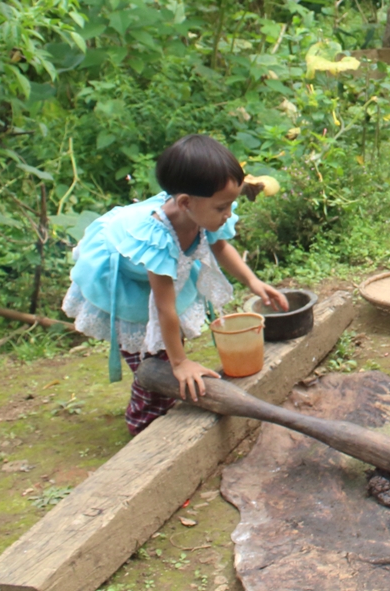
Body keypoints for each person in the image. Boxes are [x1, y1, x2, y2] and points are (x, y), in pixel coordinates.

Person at [62, 134, 289, 434]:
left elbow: (219, 246)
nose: (229, 214)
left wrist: (253, 281)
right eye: (222, 208)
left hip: (157, 284)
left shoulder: (198, 213)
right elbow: (164, 308)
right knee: (153, 362)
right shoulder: (158, 241)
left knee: (165, 351)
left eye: (230, 205)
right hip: (125, 285)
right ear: (184, 202)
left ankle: (161, 399)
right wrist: (179, 363)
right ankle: (143, 424)